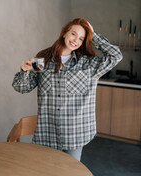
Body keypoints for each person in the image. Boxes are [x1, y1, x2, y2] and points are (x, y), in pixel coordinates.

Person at [12, 18, 123, 161]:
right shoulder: (41, 60)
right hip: (47, 134)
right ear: (64, 33)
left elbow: (116, 56)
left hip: (75, 135)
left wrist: (93, 35)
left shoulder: (89, 64)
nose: (76, 40)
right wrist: (24, 71)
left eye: (81, 39)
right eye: (73, 34)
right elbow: (22, 88)